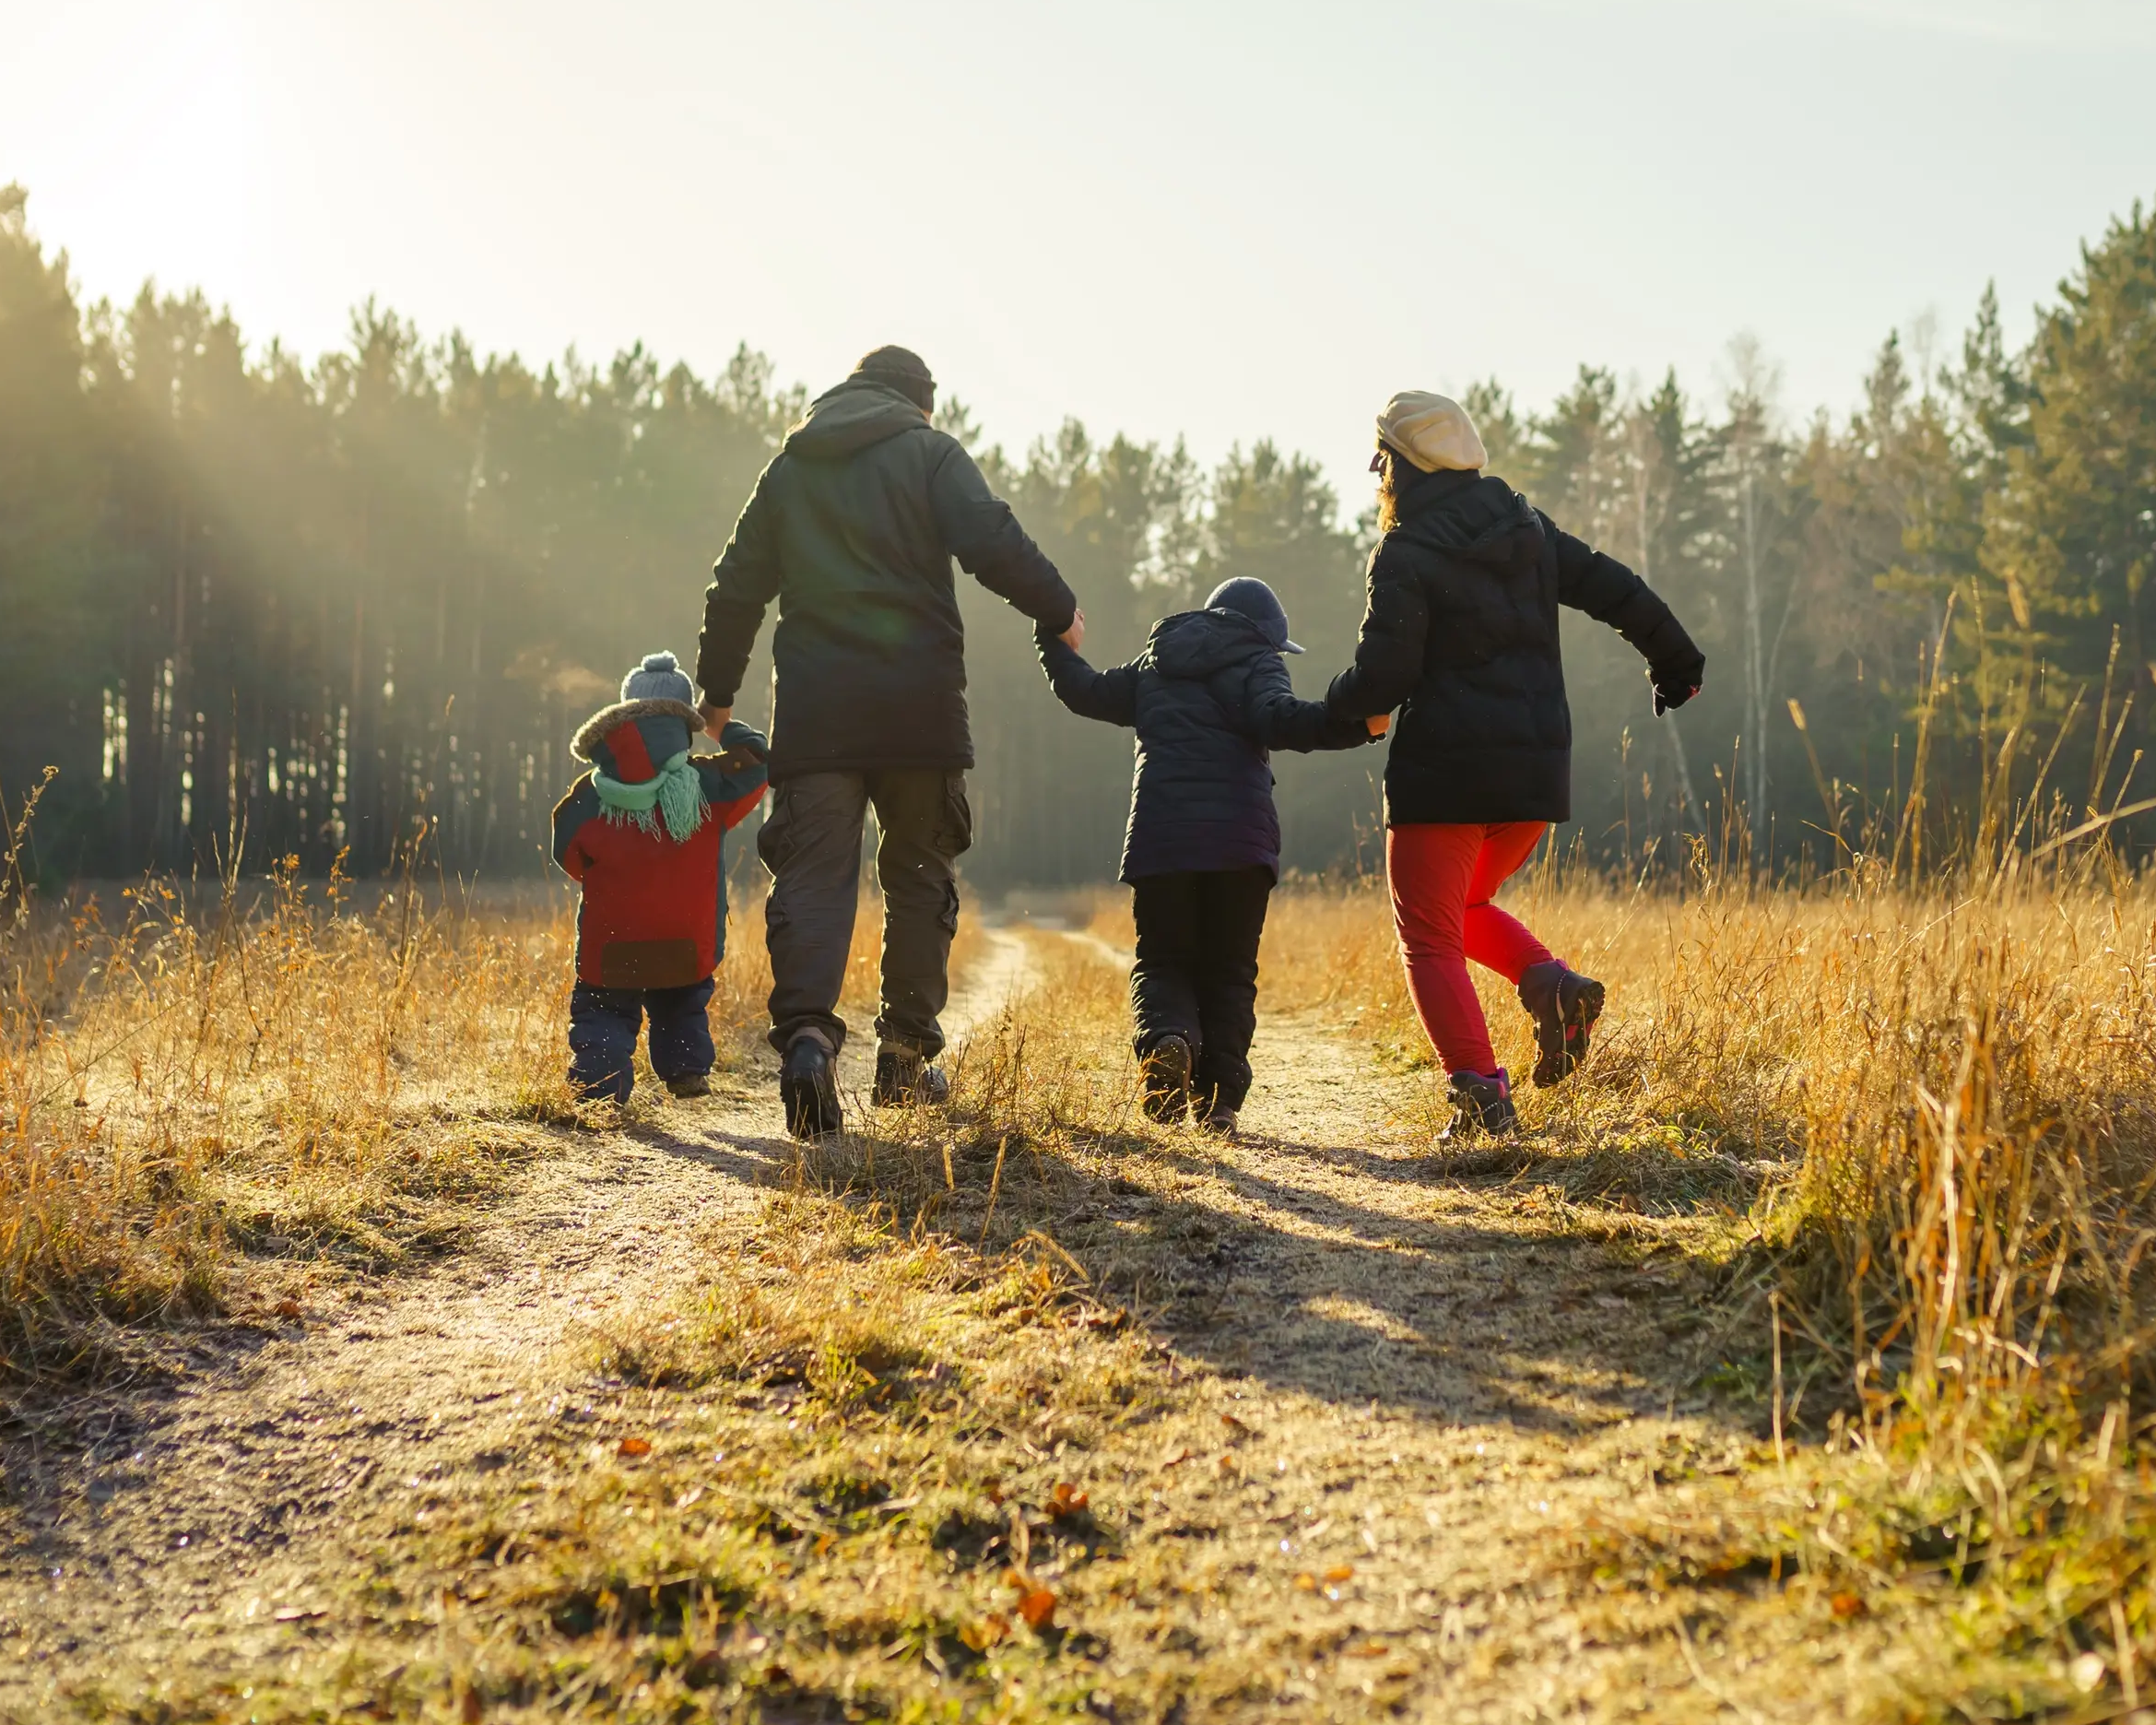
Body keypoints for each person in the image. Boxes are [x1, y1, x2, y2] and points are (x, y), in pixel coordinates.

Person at [696, 345, 1083, 1139]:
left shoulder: (790, 469)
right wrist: (1059, 608)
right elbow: (993, 540)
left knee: (811, 876)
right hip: (919, 714)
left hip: (816, 715)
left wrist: (718, 693)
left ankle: (807, 1040)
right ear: (920, 401)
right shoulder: (931, 453)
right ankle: (905, 1063)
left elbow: (735, 584)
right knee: (919, 879)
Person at [1314, 388, 1702, 1141]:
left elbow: (1382, 679)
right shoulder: (1523, 527)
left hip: (1446, 781)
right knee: (1461, 911)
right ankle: (1554, 992)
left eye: (1380, 461)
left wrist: (1326, 710)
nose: (1377, 476)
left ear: (1403, 466)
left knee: (1427, 936)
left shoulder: (1405, 551)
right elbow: (1611, 584)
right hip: (1531, 780)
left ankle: (1481, 1099)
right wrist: (1676, 660)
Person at [1040, 575, 1383, 1133]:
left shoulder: (1158, 662)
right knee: (1229, 970)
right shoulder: (1257, 661)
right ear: (1263, 634)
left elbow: (1085, 691)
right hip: (1239, 844)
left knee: (1163, 959)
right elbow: (1285, 719)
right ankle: (1219, 1103)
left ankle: (1168, 1042)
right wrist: (1358, 728)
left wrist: (1050, 636)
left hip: (1163, 837)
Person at [551, 653, 772, 1105]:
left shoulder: (590, 792)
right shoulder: (708, 783)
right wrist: (721, 727)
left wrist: (608, 883)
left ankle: (597, 1089)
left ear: (623, 711)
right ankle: (687, 1069)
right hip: (686, 933)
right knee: (681, 999)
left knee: (605, 1007)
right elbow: (758, 765)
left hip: (611, 933)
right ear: (684, 720)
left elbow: (567, 854)